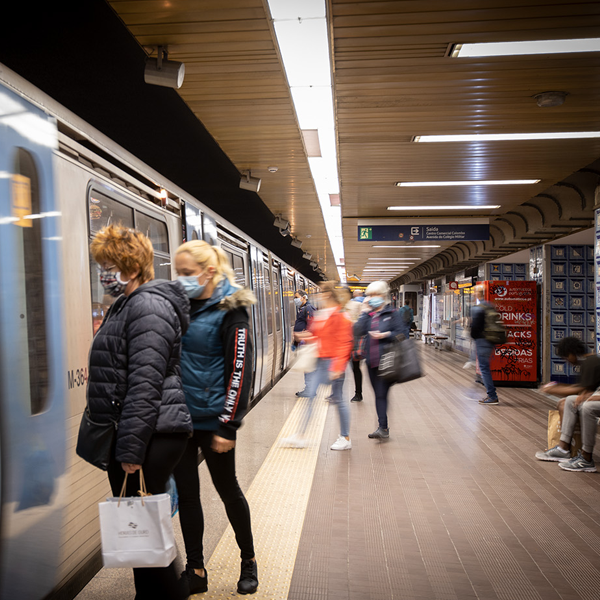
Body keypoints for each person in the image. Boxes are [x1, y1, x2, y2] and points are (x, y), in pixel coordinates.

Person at [87, 225, 193, 600]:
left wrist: (130, 451)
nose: (104, 273)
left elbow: (145, 383)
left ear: (131, 268)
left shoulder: (147, 306)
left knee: (143, 533)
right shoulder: (129, 303)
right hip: (147, 431)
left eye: (109, 265)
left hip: (149, 435)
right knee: (147, 533)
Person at [172, 240, 258, 597]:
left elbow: (240, 371)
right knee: (188, 496)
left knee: (227, 490)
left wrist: (228, 424)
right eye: (177, 273)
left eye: (186, 273)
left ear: (208, 271)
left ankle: (248, 561)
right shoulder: (180, 307)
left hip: (213, 420)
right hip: (180, 418)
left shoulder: (232, 311)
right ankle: (196, 569)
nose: (181, 280)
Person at [285, 281, 353, 450]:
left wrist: (337, 367)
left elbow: (345, 343)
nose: (318, 296)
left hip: (333, 363)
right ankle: (300, 435)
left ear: (328, 295)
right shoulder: (322, 313)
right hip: (320, 362)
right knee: (310, 396)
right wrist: (302, 337)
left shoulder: (340, 316)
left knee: (339, 399)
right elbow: (318, 335)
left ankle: (345, 437)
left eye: (321, 293)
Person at [535, 337, 600, 467]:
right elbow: (585, 389)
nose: (567, 361)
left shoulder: (591, 362)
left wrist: (553, 389)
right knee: (569, 401)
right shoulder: (587, 362)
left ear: (571, 353)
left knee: (582, 406)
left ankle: (586, 458)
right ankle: (563, 448)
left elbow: (581, 388)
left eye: (566, 357)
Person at [354, 281, 404, 439]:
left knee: (381, 393)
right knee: (378, 394)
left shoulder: (393, 314)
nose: (371, 298)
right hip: (371, 362)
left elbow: (403, 334)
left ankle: (383, 427)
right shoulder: (369, 315)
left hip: (387, 361)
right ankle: (383, 427)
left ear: (383, 296)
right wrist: (364, 311)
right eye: (370, 295)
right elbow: (357, 331)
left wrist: (385, 335)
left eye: (375, 295)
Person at [470, 285, 499, 405]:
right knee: (485, 367)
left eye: (474, 293)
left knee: (484, 368)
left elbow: (475, 327)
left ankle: (492, 396)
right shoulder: (489, 305)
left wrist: (473, 336)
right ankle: (492, 395)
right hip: (491, 339)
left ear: (477, 294)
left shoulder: (478, 308)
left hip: (482, 340)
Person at [293, 290, 316, 397]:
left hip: (307, 341)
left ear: (304, 297)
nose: (295, 299)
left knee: (308, 367)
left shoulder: (308, 308)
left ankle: (310, 390)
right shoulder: (302, 308)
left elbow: (312, 325)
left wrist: (304, 335)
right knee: (307, 367)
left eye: (297, 297)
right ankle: (309, 388)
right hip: (303, 341)